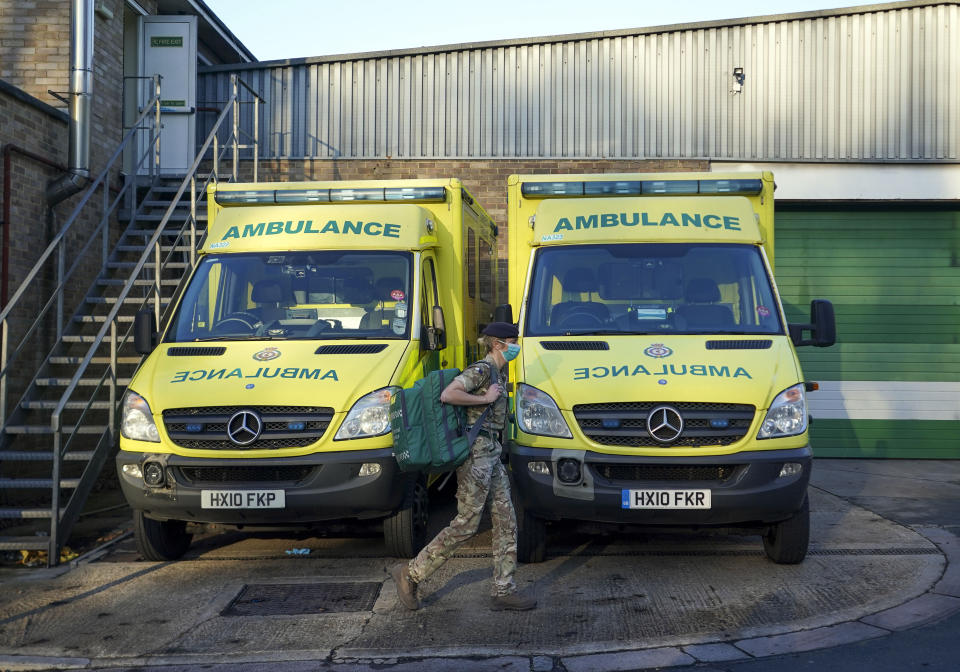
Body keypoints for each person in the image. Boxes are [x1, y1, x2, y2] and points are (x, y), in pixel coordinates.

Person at [390, 322, 537, 611]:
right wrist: (485, 398)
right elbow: (449, 394)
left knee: (506, 520)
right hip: (477, 455)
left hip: (492, 453)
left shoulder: (499, 371)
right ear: (497, 344)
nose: (515, 346)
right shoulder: (482, 370)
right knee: (467, 524)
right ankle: (410, 573)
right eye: (511, 341)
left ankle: (503, 589)